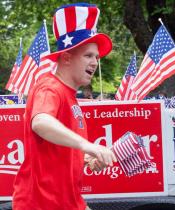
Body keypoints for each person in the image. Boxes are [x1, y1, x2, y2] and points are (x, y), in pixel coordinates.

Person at [12, 3, 116, 210]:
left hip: (69, 202)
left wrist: (86, 158)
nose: (95, 62)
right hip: (40, 204)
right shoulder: (49, 86)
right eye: (88, 55)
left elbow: (57, 151)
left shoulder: (69, 94)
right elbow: (41, 122)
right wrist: (89, 146)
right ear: (66, 57)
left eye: (96, 57)